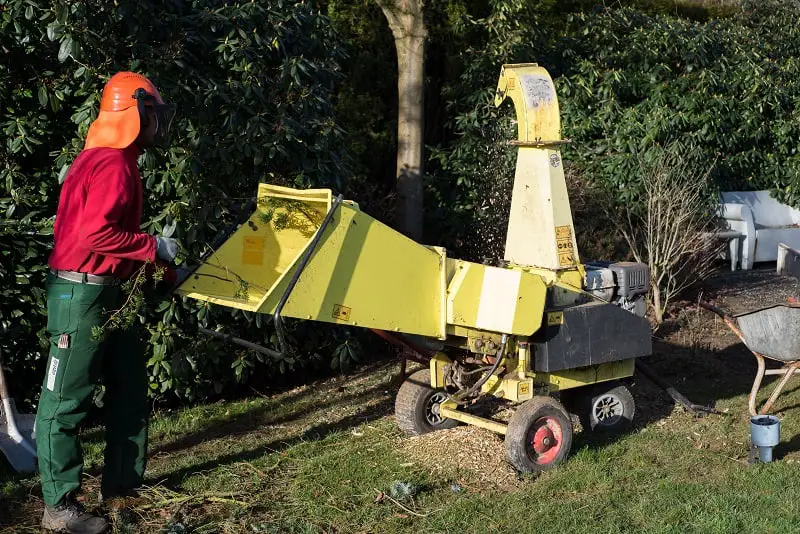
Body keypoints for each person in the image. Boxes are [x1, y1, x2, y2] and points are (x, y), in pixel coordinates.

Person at [36, 72, 181, 534]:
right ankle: (59, 508)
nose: (159, 125)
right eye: (153, 115)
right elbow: (92, 235)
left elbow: (106, 241)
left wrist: (162, 268)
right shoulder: (112, 164)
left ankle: (121, 489)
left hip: (109, 292)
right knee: (63, 405)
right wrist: (153, 247)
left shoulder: (111, 159)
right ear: (133, 114)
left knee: (131, 391)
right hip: (80, 295)